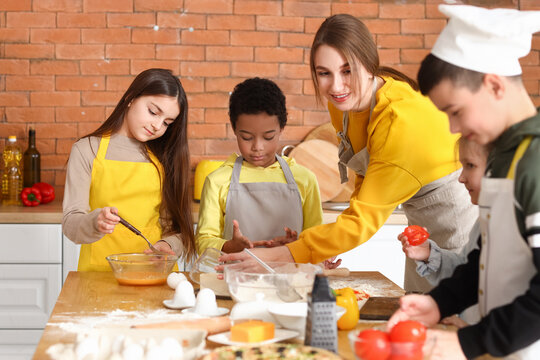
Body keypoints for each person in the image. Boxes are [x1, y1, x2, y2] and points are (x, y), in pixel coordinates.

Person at [220, 14, 477, 294]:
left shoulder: (399, 124)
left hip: (452, 215)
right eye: (324, 73)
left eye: (347, 70)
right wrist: (305, 248)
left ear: (369, 64)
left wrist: (288, 254)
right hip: (421, 221)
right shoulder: (345, 103)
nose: (336, 86)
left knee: (452, 310)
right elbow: (365, 178)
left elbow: (360, 223)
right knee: (420, 307)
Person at [388, 5, 540, 359]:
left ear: (494, 85)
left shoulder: (533, 164)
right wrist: (438, 304)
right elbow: (485, 260)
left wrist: (466, 343)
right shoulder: (505, 158)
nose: (454, 129)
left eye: (455, 112)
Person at [62, 68, 197, 271]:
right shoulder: (87, 149)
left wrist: (167, 246)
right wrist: (94, 222)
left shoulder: (165, 157)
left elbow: (178, 230)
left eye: (167, 122)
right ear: (130, 98)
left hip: (154, 272)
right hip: (98, 274)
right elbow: (71, 224)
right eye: (153, 112)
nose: (157, 125)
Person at [195, 77, 323, 255]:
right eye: (247, 137)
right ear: (234, 129)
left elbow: (317, 241)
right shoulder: (217, 181)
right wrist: (231, 247)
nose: (257, 147)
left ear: (281, 128)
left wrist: (295, 247)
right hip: (235, 279)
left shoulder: (305, 179)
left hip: (292, 279)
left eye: (268, 137)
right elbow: (203, 242)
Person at [399, 138, 487, 287]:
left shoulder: (520, 224)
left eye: (470, 166)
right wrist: (429, 254)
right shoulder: (484, 220)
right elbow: (466, 271)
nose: (460, 178)